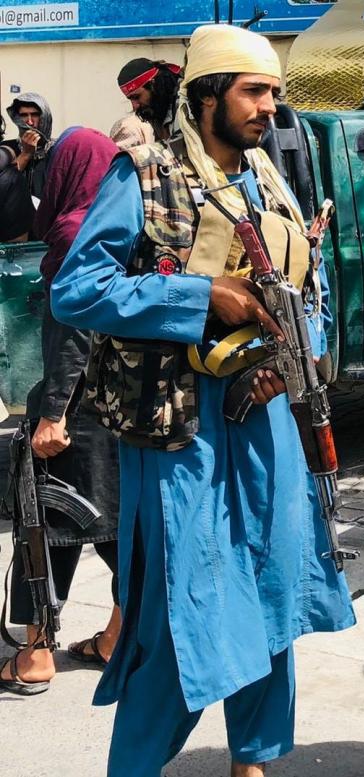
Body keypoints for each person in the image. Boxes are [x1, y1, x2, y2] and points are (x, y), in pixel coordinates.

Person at [50, 24, 355, 777]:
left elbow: (305, 286)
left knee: (274, 591)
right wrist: (199, 296)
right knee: (188, 609)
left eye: (275, 93)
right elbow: (78, 289)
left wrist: (291, 359)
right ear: (207, 94)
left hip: (267, 423)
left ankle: (250, 761)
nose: (269, 108)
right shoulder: (144, 174)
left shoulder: (270, 176)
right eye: (255, 92)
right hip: (182, 430)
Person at [0, 127, 123, 696]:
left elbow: (73, 331)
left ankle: (34, 653)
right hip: (122, 406)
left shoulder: (76, 233)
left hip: (75, 408)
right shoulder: (123, 226)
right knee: (117, 527)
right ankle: (118, 636)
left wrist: (53, 412)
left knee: (45, 526)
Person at [110, 58, 183, 150]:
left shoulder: (184, 102)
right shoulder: (156, 109)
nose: (135, 106)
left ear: (153, 84)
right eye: (130, 99)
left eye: (136, 97)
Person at [2, 93, 55, 198]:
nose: (30, 122)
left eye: (35, 114)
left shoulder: (57, 150)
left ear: (45, 117)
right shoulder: (7, 149)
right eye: (24, 115)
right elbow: (3, 185)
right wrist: (25, 154)